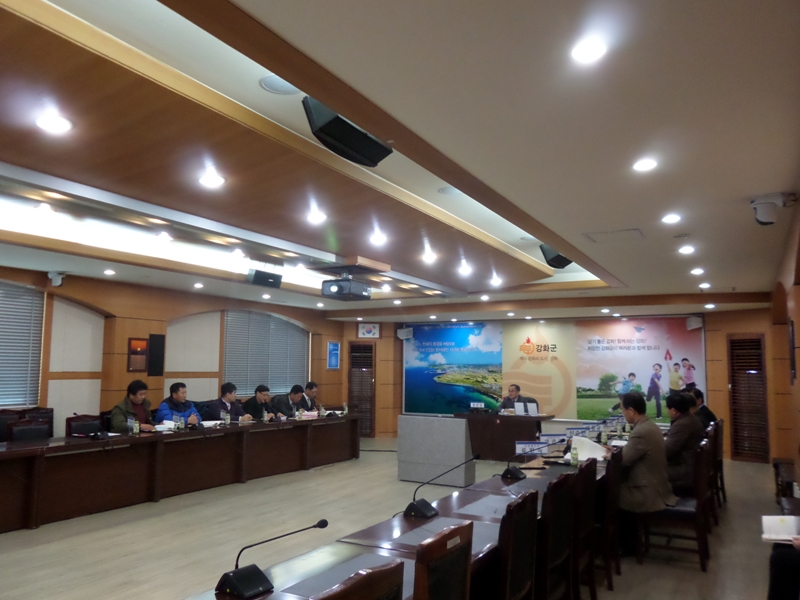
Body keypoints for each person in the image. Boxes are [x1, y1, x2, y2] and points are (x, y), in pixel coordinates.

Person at [616, 391, 677, 513]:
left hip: (646, 493)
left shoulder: (641, 431)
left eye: (623, 410)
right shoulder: (649, 425)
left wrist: (610, 455)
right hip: (658, 486)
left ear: (631, 411)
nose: (622, 414)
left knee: (605, 492)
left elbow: (622, 460)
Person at [664, 392, 705, 495]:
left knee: (647, 471)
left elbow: (667, 452)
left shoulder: (682, 425)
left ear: (674, 410)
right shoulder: (690, 419)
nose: (666, 411)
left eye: (667, 408)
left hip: (684, 471)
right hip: (691, 466)